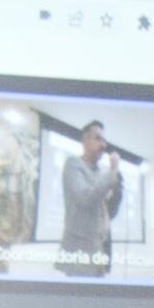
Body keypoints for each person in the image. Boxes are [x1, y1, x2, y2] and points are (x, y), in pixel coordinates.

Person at [57, 119, 123, 278]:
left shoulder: (101, 173)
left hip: (100, 251)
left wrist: (118, 190)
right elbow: (84, 197)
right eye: (98, 139)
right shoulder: (73, 164)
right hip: (80, 253)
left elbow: (109, 213)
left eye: (104, 141)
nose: (103, 145)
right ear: (85, 140)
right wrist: (112, 172)